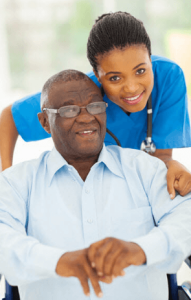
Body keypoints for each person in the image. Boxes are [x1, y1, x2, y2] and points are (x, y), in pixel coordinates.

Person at [0, 70, 191, 300]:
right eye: (69, 110)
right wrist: (57, 261)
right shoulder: (16, 183)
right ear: (44, 122)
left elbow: (185, 220)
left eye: (95, 107)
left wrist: (140, 249)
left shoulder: (145, 169)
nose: (86, 117)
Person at [0, 12, 191, 199]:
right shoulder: (81, 94)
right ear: (97, 74)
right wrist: (6, 179)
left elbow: (161, 156)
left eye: (140, 70)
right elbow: (10, 117)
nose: (132, 88)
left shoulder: (168, 77)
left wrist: (172, 165)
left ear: (150, 58)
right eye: (115, 77)